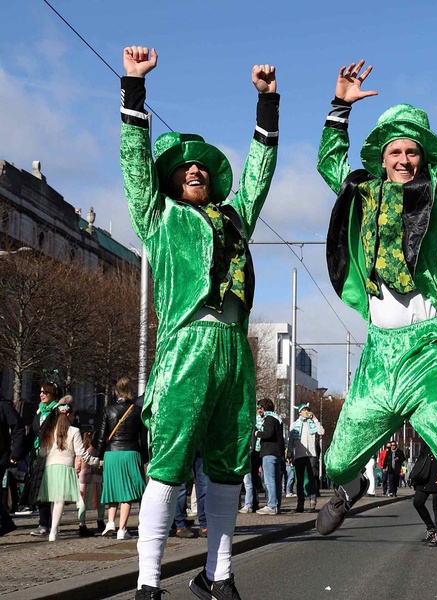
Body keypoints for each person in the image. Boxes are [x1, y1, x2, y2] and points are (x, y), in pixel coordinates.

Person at [315, 16, 437, 599]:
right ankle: (347, 491)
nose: (404, 160)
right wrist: (338, 106)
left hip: (429, 350)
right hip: (379, 354)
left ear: (425, 159)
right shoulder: (361, 191)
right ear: (382, 159)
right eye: (396, 151)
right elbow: (330, 163)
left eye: (413, 152)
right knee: (335, 462)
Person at [119, 45, 279, 600]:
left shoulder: (233, 216)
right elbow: (135, 166)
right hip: (187, 343)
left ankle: (219, 575)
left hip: (235, 345)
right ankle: (147, 583)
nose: (194, 169)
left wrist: (266, 106)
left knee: (231, 461)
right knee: (168, 461)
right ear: (169, 182)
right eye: (184, 167)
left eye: (202, 166)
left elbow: (258, 178)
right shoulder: (158, 217)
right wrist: (134, 87)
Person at [37, 399, 101, 541]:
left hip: (50, 468)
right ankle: (53, 532)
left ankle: (55, 530)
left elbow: (42, 451)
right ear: (69, 415)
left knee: (54, 500)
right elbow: (81, 453)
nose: (74, 417)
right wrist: (96, 462)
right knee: (59, 500)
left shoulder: (51, 431)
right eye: (73, 415)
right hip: (65, 467)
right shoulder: (74, 431)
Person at [97, 377, 147, 539]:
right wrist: (145, 456)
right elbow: (143, 437)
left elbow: (101, 436)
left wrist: (98, 456)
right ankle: (122, 529)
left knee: (112, 488)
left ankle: (110, 521)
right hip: (131, 452)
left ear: (116, 392)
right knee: (128, 491)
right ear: (130, 392)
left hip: (111, 453)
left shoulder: (108, 410)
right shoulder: (137, 411)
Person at [25, 382, 62, 537]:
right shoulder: (40, 411)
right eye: (40, 392)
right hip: (38, 454)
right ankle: (43, 523)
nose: (41, 395)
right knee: (40, 487)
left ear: (52, 394)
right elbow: (34, 432)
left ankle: (52, 524)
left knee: (50, 489)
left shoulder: (57, 411)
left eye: (45, 392)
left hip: (51, 453)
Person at [410, 446, 437, 547]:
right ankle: (431, 528)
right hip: (425, 476)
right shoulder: (426, 437)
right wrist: (415, 475)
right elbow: (421, 457)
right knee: (417, 502)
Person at [290, 404, 324, 513]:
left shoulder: (312, 423)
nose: (306, 412)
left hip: (311, 454)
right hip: (299, 454)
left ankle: (313, 500)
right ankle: (300, 503)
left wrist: (315, 419)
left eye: (307, 410)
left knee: (311, 477)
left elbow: (321, 432)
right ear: (300, 412)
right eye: (304, 410)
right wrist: (290, 453)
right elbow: (291, 441)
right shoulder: (295, 424)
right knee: (299, 480)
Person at [0, 394, 25, 536]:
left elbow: (18, 426)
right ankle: (6, 521)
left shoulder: (3, 404)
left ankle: (6, 521)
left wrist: (15, 453)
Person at [256, 400, 284, 515]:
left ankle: (271, 505)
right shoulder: (277, 420)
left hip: (268, 453)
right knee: (276, 481)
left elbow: (268, 433)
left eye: (259, 407)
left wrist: (258, 434)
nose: (258, 410)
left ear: (264, 408)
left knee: (269, 481)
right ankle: (276, 505)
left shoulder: (268, 419)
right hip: (276, 454)